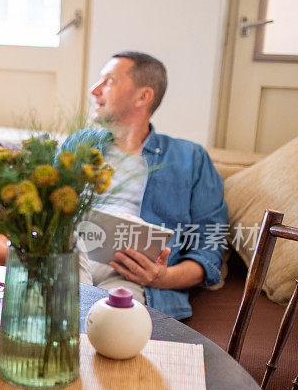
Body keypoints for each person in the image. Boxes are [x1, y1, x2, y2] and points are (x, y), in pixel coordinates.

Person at [65, 51, 227, 320]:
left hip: (130, 277)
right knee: (67, 241)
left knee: (112, 321)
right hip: (71, 256)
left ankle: (75, 315)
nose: (94, 90)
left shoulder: (190, 158)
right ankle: (74, 311)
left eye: (108, 81)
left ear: (143, 96)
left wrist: (162, 277)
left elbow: (208, 249)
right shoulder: (80, 145)